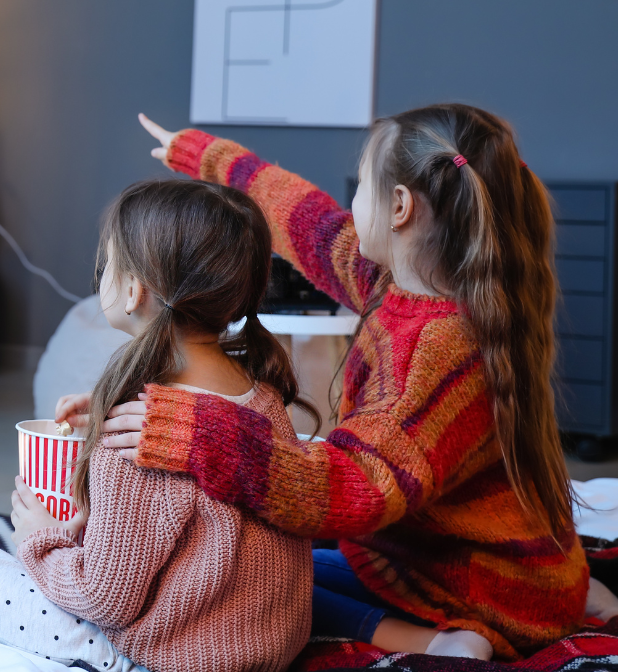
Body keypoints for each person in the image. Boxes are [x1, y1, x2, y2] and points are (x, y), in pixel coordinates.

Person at [57, 105, 591, 662]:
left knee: (255, 587)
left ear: (400, 208)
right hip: (447, 554)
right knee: (257, 563)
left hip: (473, 586)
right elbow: (305, 221)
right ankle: (566, 590)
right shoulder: (398, 286)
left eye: (361, 186)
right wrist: (206, 156)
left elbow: (353, 490)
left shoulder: (437, 348)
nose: (349, 205)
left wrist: (206, 435)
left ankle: (448, 641)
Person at [0, 179, 314, 672]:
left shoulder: (141, 434)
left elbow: (106, 601)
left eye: (107, 262)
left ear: (133, 291)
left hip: (178, 658)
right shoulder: (263, 399)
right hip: (271, 647)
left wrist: (41, 540)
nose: (101, 273)